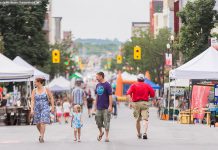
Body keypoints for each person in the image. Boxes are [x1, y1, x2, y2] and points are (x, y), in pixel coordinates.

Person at [127, 74, 155, 140]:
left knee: (138, 120)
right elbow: (152, 94)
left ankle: (139, 134)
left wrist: (130, 102)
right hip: (145, 103)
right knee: (145, 119)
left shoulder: (133, 85)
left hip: (136, 104)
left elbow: (128, 93)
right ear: (144, 79)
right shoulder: (147, 85)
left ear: (137, 79)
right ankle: (145, 133)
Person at [31, 77, 55, 143]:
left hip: (45, 107)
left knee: (42, 122)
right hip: (37, 108)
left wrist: (53, 107)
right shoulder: (34, 90)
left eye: (35, 82)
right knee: (37, 123)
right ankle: (41, 134)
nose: (34, 83)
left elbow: (51, 97)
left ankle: (41, 136)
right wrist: (31, 110)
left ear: (39, 82)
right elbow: (32, 100)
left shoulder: (46, 89)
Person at [94, 72, 113, 142]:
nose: (96, 78)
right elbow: (97, 96)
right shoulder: (97, 85)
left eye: (97, 76)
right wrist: (95, 106)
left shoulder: (107, 85)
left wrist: (110, 106)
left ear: (101, 76)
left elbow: (110, 96)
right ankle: (101, 132)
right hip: (99, 107)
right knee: (98, 121)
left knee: (106, 122)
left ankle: (107, 136)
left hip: (106, 107)